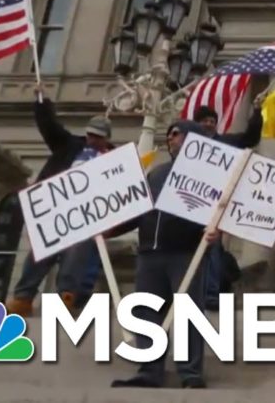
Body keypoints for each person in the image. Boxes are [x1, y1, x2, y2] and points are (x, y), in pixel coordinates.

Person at [107, 120, 213, 389]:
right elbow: (139, 210)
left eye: (176, 134)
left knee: (189, 312)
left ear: (194, 139)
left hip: (185, 252)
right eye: (169, 135)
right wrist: (109, 229)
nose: (170, 138)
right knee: (145, 312)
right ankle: (150, 371)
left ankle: (190, 372)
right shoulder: (156, 174)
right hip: (149, 254)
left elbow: (223, 212)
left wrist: (217, 231)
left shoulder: (210, 175)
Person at [5, 85, 112, 317]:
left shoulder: (113, 159)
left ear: (107, 139)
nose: (93, 139)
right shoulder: (70, 145)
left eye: (98, 137)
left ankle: (66, 298)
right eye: (91, 134)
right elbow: (49, 128)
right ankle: (23, 297)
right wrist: (43, 102)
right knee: (40, 252)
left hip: (87, 215)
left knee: (76, 257)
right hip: (56, 209)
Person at [193, 94, 265, 310]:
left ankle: (212, 295)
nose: (208, 124)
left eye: (212, 121)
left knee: (212, 249)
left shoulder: (226, 142)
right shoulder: (188, 145)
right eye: (204, 120)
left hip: (215, 206)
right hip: (188, 204)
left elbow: (250, 138)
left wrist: (257, 112)